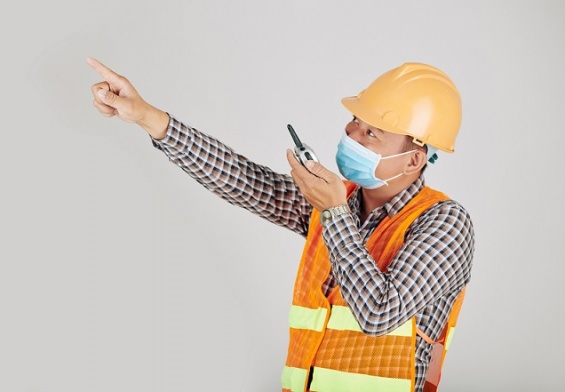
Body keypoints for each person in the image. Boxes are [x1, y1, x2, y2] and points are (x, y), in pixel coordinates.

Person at [87, 57, 474, 392]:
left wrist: (334, 213)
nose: (353, 135)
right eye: (355, 121)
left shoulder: (444, 223)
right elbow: (244, 181)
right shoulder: (337, 201)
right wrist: (150, 119)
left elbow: (378, 313)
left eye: (372, 132)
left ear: (413, 161)